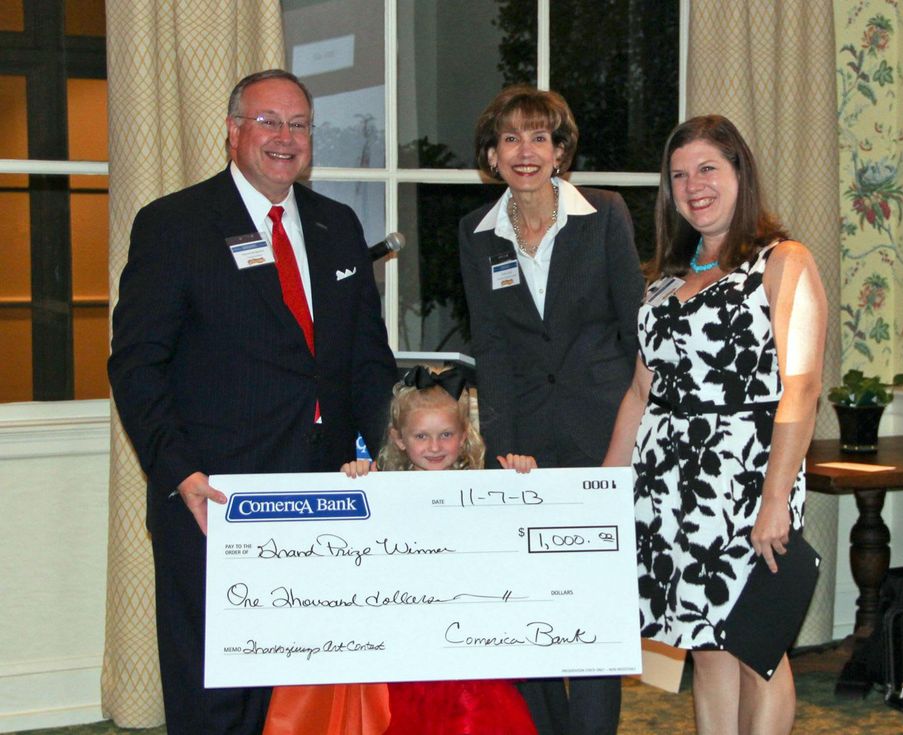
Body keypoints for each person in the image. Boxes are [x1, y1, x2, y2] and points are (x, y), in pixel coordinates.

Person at [108, 69, 398, 735]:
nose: (284, 138)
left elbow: (367, 357)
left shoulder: (337, 223)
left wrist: (374, 451)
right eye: (269, 121)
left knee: (305, 688)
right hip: (215, 499)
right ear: (234, 131)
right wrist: (178, 471)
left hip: (325, 494)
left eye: (298, 125)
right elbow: (136, 362)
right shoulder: (174, 224)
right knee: (219, 693)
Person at [603, 114, 827, 734]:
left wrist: (777, 498)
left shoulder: (783, 261)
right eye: (678, 175)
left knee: (756, 645)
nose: (693, 185)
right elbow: (639, 393)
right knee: (703, 643)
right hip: (669, 484)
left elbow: (802, 386)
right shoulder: (665, 279)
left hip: (748, 480)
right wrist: (604, 490)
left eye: (708, 168)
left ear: (739, 174)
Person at [458, 84, 643, 735]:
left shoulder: (605, 216)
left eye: (540, 137)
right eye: (510, 138)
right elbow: (492, 349)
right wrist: (501, 448)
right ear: (492, 153)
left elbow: (636, 333)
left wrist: (629, 442)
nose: (525, 151)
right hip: (526, 449)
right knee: (528, 606)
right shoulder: (476, 236)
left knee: (593, 611)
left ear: (561, 150)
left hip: (603, 441)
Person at [263, 365, 539, 735]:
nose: (435, 446)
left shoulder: (487, 488)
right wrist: (355, 479)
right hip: (403, 656)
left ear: (463, 436)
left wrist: (525, 477)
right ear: (399, 439)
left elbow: (521, 543)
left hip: (469, 656)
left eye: (446, 434)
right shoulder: (380, 492)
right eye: (421, 436)